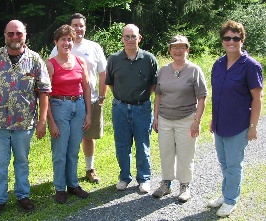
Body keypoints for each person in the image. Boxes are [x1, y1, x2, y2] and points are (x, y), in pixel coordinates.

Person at [0, 20, 51, 219]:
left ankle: (22, 196)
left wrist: (42, 121)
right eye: (11, 34)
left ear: (25, 35)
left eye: (18, 33)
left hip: (23, 123)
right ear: (5, 35)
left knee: (22, 162)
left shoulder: (35, 60)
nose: (15, 37)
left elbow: (44, 92)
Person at [208, 20, 263, 217]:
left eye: (236, 38)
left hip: (238, 125)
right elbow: (217, 95)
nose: (231, 41)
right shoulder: (219, 64)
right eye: (227, 38)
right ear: (222, 40)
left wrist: (253, 127)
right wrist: (213, 119)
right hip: (220, 123)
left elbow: (257, 98)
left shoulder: (251, 66)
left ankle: (231, 200)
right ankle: (226, 193)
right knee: (224, 162)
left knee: (233, 164)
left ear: (242, 40)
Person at [49, 13, 107, 183]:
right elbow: (49, 74)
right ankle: (63, 179)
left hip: (89, 99)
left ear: (85, 27)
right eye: (75, 25)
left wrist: (102, 95)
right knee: (65, 141)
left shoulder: (93, 47)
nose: (78, 28)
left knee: (87, 136)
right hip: (62, 102)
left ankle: (89, 169)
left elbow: (103, 73)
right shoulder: (60, 46)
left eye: (81, 25)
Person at [151, 35, 207, 202]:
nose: (178, 50)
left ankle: (184, 186)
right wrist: (155, 118)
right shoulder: (164, 70)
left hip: (186, 119)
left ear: (187, 50)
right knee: (166, 152)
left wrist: (197, 121)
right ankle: (166, 184)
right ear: (169, 50)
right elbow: (158, 96)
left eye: (182, 47)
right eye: (174, 47)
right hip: (165, 118)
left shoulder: (194, 70)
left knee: (185, 154)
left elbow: (202, 98)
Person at [105, 24, 158, 193]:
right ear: (122, 39)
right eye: (126, 36)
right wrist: (123, 99)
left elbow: (153, 84)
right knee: (122, 145)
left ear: (139, 38)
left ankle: (144, 179)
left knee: (142, 145)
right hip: (120, 108)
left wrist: (140, 99)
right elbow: (111, 83)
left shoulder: (149, 59)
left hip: (142, 108)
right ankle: (124, 177)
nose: (130, 40)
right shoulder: (114, 59)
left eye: (133, 36)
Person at [46, 24, 92, 204]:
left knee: (73, 150)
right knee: (60, 151)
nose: (67, 43)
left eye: (70, 40)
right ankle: (59, 187)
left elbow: (86, 88)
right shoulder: (50, 65)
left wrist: (88, 114)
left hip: (78, 106)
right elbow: (45, 95)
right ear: (56, 42)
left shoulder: (80, 62)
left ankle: (73, 184)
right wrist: (51, 122)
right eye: (63, 39)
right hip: (59, 107)